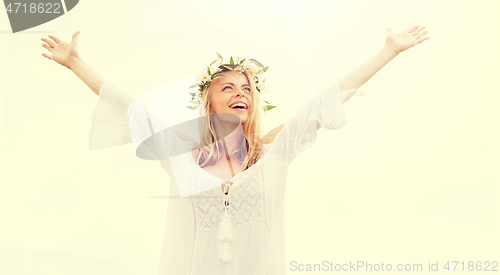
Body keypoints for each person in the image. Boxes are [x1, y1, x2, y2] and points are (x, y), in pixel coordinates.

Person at [41, 25, 429, 275]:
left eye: (246, 89)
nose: (240, 93)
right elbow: (130, 107)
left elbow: (326, 99)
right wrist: (76, 63)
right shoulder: (178, 156)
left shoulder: (276, 152)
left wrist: (389, 52)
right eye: (227, 87)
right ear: (208, 102)